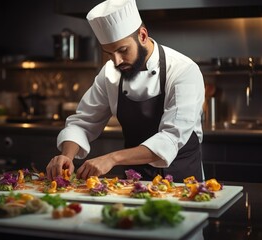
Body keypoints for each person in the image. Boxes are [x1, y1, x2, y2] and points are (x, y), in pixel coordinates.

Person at [46, 0, 205, 182]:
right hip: (134, 181)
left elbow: (170, 138)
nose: (117, 61)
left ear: (143, 35)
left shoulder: (183, 70)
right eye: (109, 53)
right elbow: (82, 122)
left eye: (123, 50)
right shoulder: (110, 73)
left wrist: (112, 158)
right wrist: (67, 155)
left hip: (182, 180)